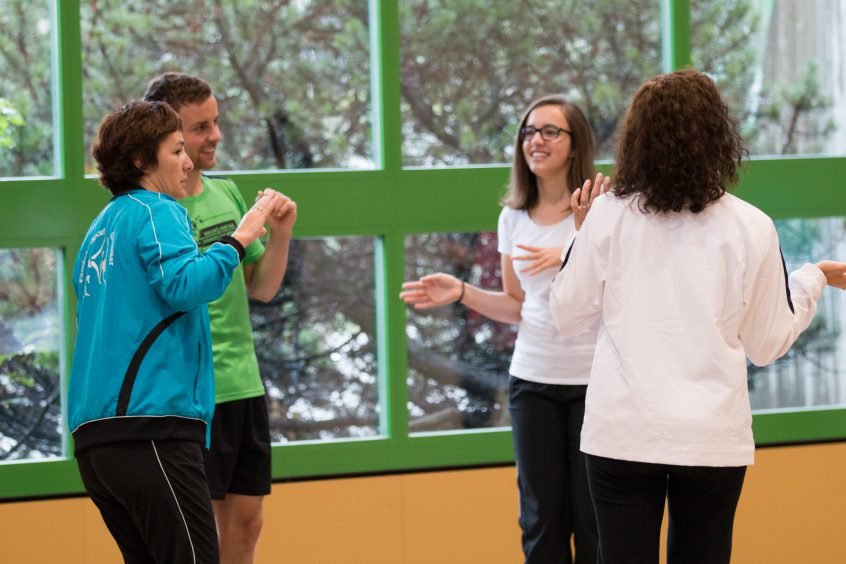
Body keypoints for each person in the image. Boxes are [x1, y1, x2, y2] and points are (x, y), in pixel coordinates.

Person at [549, 69, 846, 564]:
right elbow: (766, 343)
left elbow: (565, 313)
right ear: (718, 136)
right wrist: (812, 278)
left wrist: (580, 234)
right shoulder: (751, 225)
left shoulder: (606, 215)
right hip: (712, 436)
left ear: (636, 140)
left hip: (622, 431)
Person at [401, 95, 608, 563]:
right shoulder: (512, 216)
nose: (536, 140)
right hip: (533, 383)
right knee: (541, 522)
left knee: (592, 520)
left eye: (550, 131)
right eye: (529, 132)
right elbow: (518, 306)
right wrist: (461, 291)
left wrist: (569, 253)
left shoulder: (602, 210)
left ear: (576, 145)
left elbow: (621, 288)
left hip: (595, 384)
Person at [69, 99, 273, 563]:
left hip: (97, 441)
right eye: (177, 150)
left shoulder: (99, 229)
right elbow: (185, 285)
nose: (188, 163)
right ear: (142, 161)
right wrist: (239, 240)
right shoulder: (156, 210)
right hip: (150, 427)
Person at [144, 72, 296, 564]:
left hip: (243, 385)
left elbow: (262, 288)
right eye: (200, 128)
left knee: (248, 523)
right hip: (190, 395)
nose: (216, 136)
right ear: (167, 137)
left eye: (216, 122)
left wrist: (281, 232)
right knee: (198, 535)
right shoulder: (151, 213)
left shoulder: (227, 193)